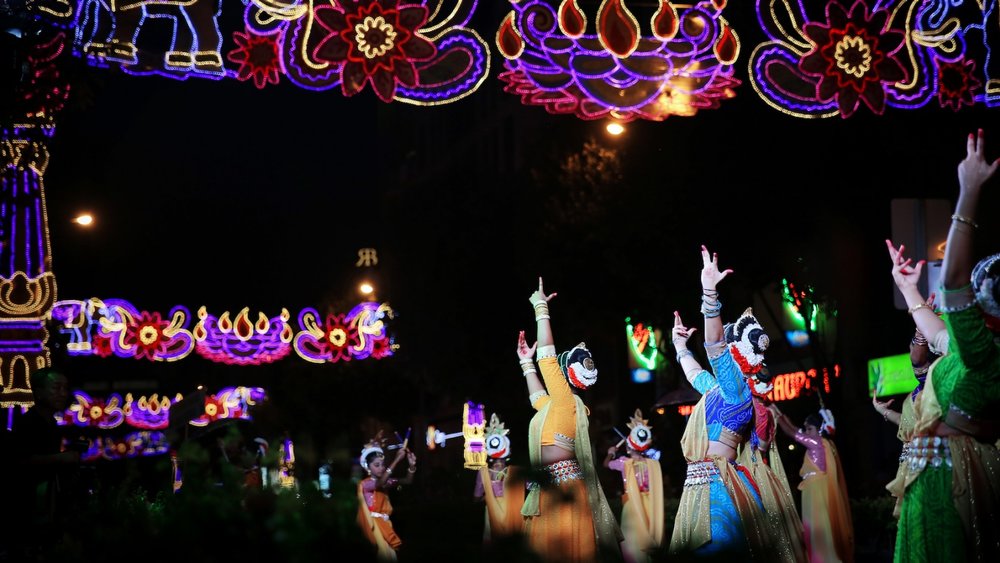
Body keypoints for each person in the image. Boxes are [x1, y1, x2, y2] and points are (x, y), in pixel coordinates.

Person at [892, 128, 1000, 562]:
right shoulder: (972, 349)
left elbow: (953, 279)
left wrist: (968, 192)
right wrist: (909, 290)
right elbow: (937, 334)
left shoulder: (988, 355)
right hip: (931, 479)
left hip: (951, 485)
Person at [669, 246, 772, 560]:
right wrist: (679, 347)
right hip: (701, 484)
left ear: (735, 352)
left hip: (719, 488)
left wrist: (709, 294)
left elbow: (714, 346)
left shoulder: (736, 391)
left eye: (728, 343)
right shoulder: (718, 390)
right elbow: (695, 374)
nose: (722, 351)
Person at [515, 277, 622, 562]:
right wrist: (526, 363)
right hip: (555, 487)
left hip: (562, 488)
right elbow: (538, 399)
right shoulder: (560, 405)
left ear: (562, 377)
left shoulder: (566, 400)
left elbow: (547, 357)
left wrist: (541, 309)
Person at [874, 242, 947, 518]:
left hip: (946, 468)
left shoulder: (954, 370)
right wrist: (883, 412)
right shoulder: (926, 383)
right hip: (917, 467)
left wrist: (910, 292)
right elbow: (910, 424)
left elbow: (921, 355)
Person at [7, 366, 82, 559]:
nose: (63, 393)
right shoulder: (28, 423)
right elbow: (20, 461)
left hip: (46, 502)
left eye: (65, 388)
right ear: (39, 392)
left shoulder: (51, 423)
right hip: (27, 503)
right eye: (56, 388)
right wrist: (61, 458)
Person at [770, 404, 854, 563]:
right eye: (806, 429)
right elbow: (795, 429)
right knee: (814, 525)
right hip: (812, 488)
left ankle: (824, 558)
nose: (806, 432)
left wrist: (776, 416)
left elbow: (791, 432)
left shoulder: (818, 443)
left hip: (816, 490)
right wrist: (778, 411)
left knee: (817, 525)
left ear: (819, 429)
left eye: (810, 429)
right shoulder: (822, 442)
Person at [737, 393, 808, 563]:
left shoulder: (763, 411)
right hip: (751, 470)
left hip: (754, 471)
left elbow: (765, 443)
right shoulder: (767, 410)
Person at [603, 409, 664, 563]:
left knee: (632, 540)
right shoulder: (653, 464)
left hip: (632, 505)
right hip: (650, 504)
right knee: (649, 534)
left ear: (628, 448)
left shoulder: (624, 463)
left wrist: (611, 452)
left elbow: (606, 464)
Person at [356, 433, 417, 562]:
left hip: (385, 525)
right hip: (374, 527)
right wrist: (396, 460)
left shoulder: (386, 482)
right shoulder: (366, 484)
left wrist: (411, 466)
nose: (381, 468)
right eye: (376, 465)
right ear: (367, 467)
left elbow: (407, 480)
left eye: (382, 464)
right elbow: (380, 483)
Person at [474, 412, 524, 542]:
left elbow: (476, 496)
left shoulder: (483, 472)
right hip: (510, 512)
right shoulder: (516, 471)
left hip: (496, 511)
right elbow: (531, 485)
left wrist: (484, 497)